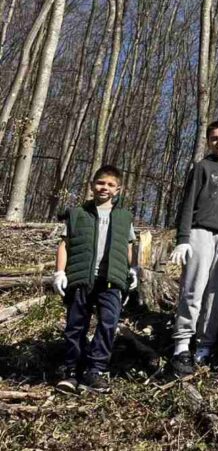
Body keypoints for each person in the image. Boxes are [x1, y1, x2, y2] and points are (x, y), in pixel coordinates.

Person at [53, 165, 138, 394]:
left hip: (111, 279)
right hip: (81, 278)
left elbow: (129, 246)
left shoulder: (124, 216)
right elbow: (65, 244)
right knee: (75, 324)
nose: (105, 188)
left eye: (111, 185)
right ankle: (71, 370)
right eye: (101, 183)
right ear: (92, 186)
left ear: (118, 189)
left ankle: (95, 371)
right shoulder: (77, 213)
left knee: (108, 323)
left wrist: (133, 270)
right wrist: (60, 272)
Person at [169, 121, 218, 376]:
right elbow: (187, 204)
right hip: (200, 231)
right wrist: (183, 238)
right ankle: (182, 344)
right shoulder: (202, 167)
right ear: (209, 142)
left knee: (216, 293)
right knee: (193, 287)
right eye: (214, 138)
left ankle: (206, 344)